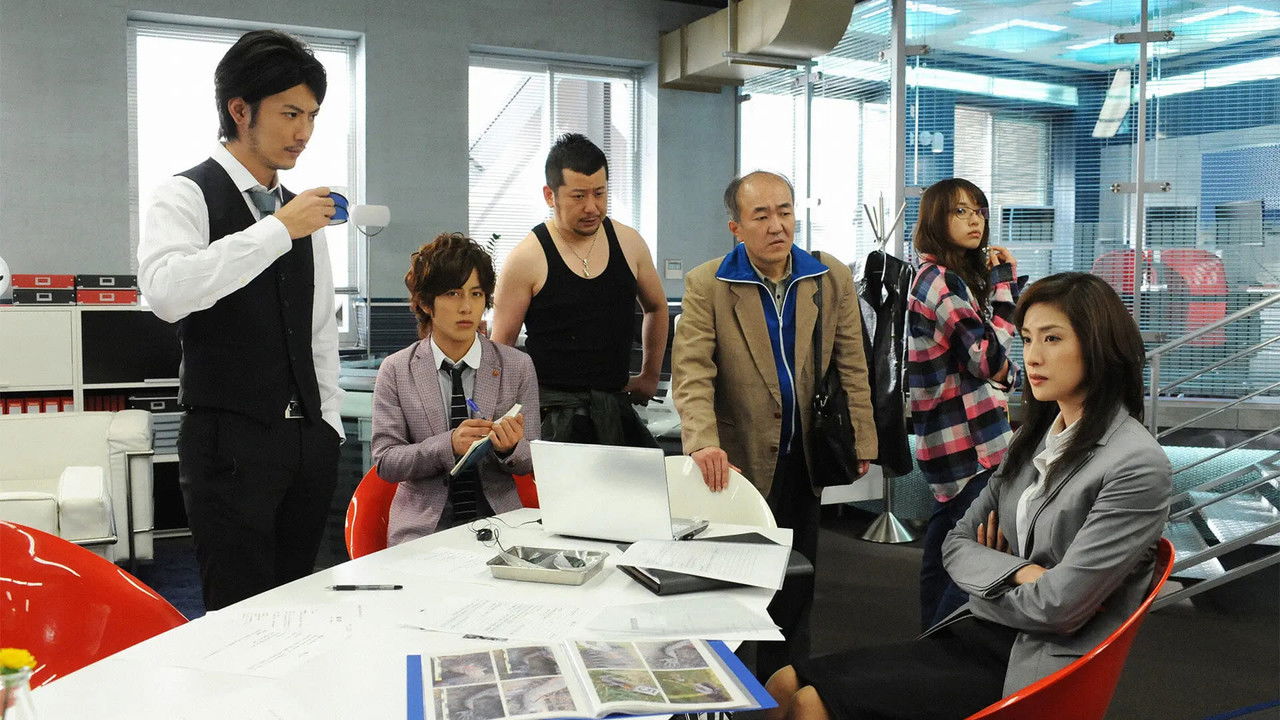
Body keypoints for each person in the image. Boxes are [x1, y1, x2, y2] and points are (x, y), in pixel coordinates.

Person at [766, 272, 1172, 720]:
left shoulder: (1136, 465)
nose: (1032, 356)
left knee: (810, 704)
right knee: (782, 682)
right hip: (980, 631)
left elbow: (1058, 607)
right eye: (1027, 339)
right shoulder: (1032, 440)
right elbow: (956, 544)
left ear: (1098, 346)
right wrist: (1023, 572)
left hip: (1033, 661)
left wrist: (991, 578)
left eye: (1052, 338)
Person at [137, 30, 343, 611]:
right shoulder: (184, 195)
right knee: (238, 615)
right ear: (240, 110)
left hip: (307, 443)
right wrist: (277, 230)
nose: (304, 132)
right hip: (228, 444)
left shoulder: (300, 210)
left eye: (312, 115)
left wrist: (328, 428)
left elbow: (318, 330)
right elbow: (166, 292)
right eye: (290, 113)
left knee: (300, 606)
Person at [671, 170, 878, 678]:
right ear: (736, 227)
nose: (776, 225)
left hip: (804, 456)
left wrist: (862, 438)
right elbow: (692, 372)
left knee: (797, 582)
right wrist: (702, 443)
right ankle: (732, 687)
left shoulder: (827, 278)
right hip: (736, 463)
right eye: (761, 215)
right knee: (734, 586)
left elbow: (852, 364)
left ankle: (789, 687)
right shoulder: (708, 284)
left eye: (784, 212)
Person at [491, 133, 667, 447]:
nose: (591, 207)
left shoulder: (629, 243)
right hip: (552, 416)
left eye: (600, 193)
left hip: (615, 410)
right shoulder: (526, 259)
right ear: (550, 195)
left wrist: (650, 375)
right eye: (578, 196)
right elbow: (501, 350)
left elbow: (656, 306)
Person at [372, 233, 539, 546]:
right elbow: (386, 462)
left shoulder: (517, 366)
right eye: (452, 294)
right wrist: (446, 445)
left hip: (502, 524)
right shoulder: (396, 370)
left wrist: (509, 449)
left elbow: (533, 459)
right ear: (426, 303)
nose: (466, 307)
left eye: (476, 294)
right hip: (422, 532)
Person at [907, 178, 1022, 630]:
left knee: (946, 549)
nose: (975, 221)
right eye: (961, 211)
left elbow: (989, 361)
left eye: (979, 211)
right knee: (973, 556)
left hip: (962, 436)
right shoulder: (938, 280)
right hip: (966, 442)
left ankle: (929, 644)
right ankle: (944, 644)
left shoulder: (949, 277)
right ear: (937, 218)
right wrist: (1005, 290)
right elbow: (987, 359)